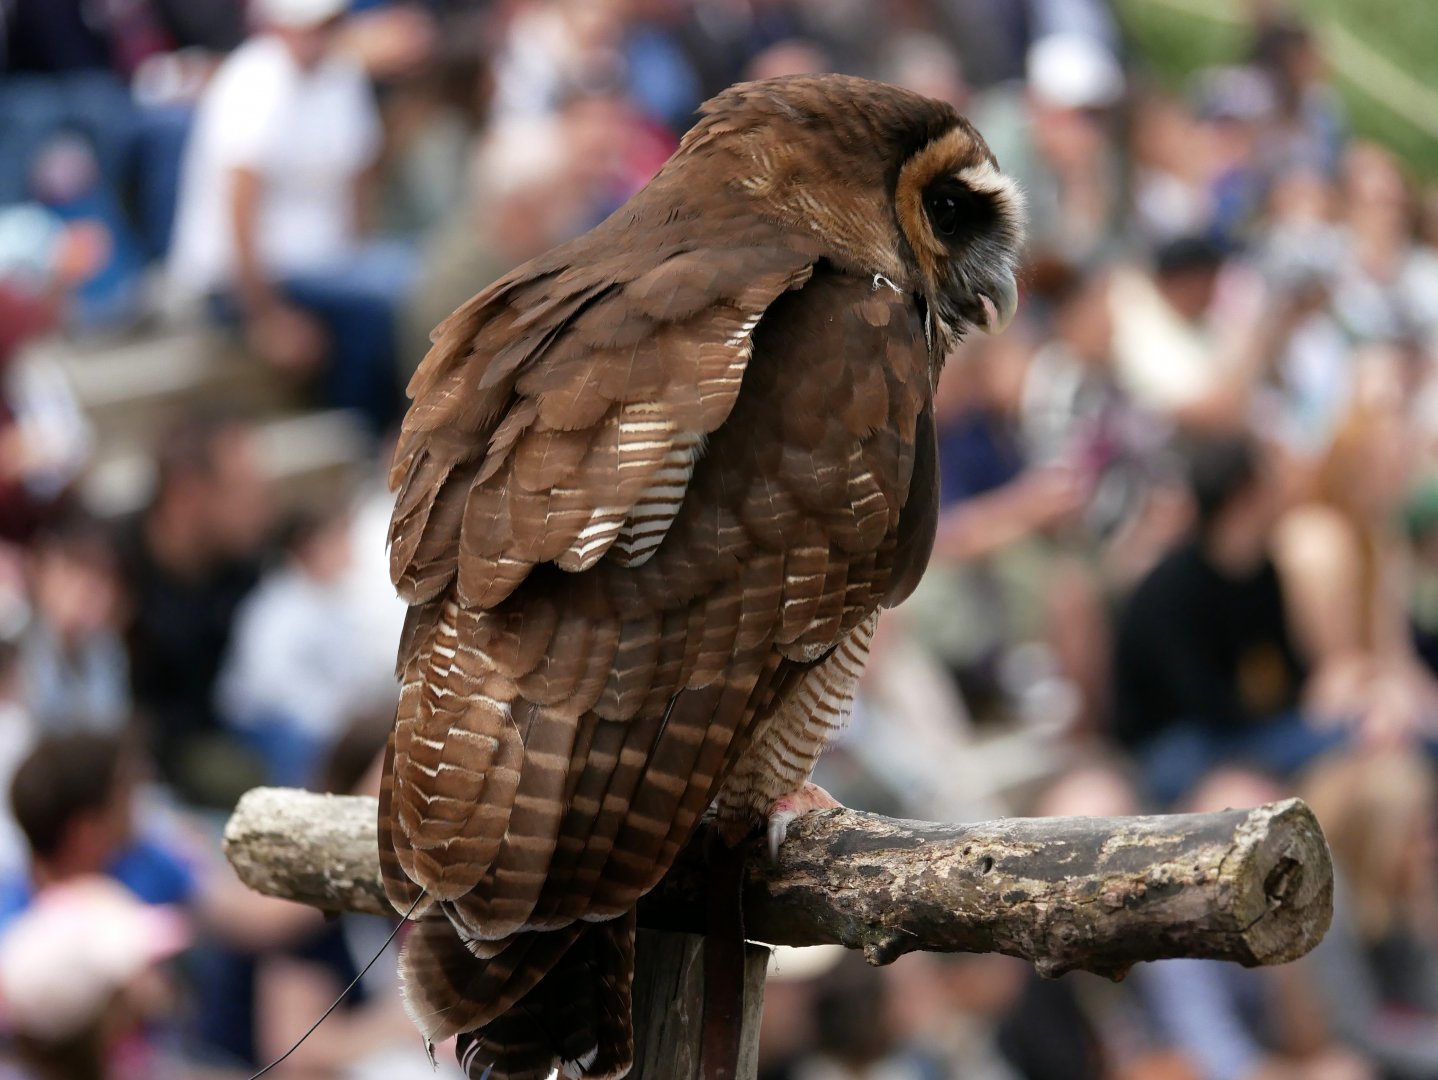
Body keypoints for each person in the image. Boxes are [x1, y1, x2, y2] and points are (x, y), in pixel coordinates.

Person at [167, 0, 414, 432]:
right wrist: (266, 318)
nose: (316, 36)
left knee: (393, 292)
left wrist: (356, 259)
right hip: (246, 281)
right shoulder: (251, 82)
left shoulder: (342, 77)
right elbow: (236, 213)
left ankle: (369, 434)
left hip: (324, 271)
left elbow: (357, 184)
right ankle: (366, 435)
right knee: (393, 292)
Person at [1112, 436, 1329, 804]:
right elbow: (1196, 698)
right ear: (1244, 496)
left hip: (1247, 730)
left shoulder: (1263, 572)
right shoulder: (1171, 588)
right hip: (1176, 742)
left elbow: (1286, 666)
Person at [117, 414, 273, 808]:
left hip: (232, 730)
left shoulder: (251, 569)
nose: (263, 500)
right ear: (185, 493)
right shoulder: (110, 572)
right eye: (241, 487)